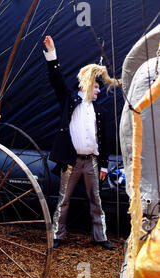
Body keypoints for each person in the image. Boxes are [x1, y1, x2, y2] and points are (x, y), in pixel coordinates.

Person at [43, 35, 118, 250]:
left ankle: (100, 236)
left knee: (96, 200)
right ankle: (58, 235)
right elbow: (56, 78)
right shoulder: (70, 100)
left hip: (92, 162)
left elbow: (104, 141)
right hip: (71, 161)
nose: (98, 91)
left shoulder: (100, 111)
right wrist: (52, 54)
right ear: (86, 85)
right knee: (63, 199)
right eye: (96, 87)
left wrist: (104, 165)